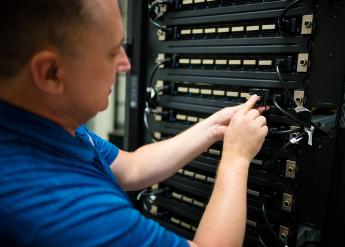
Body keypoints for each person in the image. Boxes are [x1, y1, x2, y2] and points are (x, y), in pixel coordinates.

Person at [0, 0, 268, 246]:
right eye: (112, 51)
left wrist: (213, 128)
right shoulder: (61, 209)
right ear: (51, 73)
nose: (126, 64)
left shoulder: (45, 121)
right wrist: (237, 157)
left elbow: (132, 167)